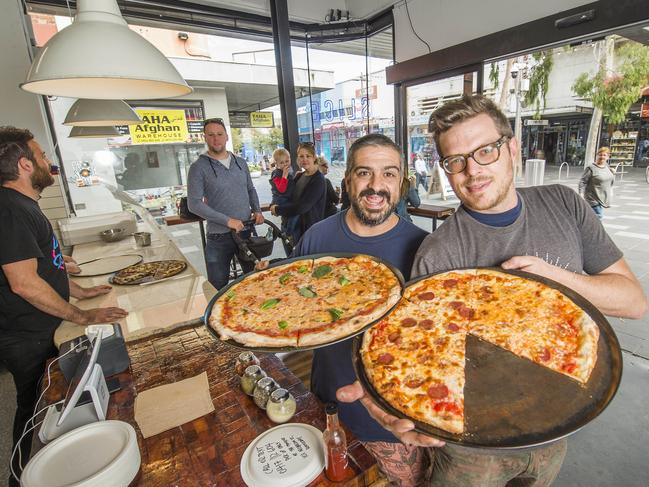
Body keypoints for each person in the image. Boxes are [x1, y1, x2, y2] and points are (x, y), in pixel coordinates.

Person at [338, 95, 648, 486]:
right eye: (456, 161)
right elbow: (406, 353)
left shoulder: (565, 204)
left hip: (557, 420)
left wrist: (556, 281)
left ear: (512, 147)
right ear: (446, 170)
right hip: (469, 450)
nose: (472, 170)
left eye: (485, 150)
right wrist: (390, 401)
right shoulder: (439, 251)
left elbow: (634, 302)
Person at [292, 134, 430, 485]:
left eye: (388, 174)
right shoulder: (315, 239)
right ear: (348, 180)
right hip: (327, 402)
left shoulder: (424, 249)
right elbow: (295, 313)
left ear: (401, 182)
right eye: (365, 173)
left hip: (391, 417)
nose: (376, 186)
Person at [0, 127, 129, 486]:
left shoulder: (23, 205)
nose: (47, 162)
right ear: (25, 165)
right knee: (34, 412)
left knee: (52, 404)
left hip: (42, 325)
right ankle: (19, 477)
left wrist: (80, 291)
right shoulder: (10, 209)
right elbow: (23, 282)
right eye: (41, 156)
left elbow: (46, 268)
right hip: (26, 333)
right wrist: (81, 315)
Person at [187, 118, 264, 289]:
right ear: (205, 137)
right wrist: (228, 221)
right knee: (218, 285)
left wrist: (257, 210)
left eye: (220, 134)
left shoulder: (240, 162)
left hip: (246, 230)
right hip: (218, 236)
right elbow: (194, 204)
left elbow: (250, 189)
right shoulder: (198, 168)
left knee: (256, 280)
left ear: (227, 137)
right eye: (211, 135)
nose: (216, 139)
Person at [270, 142, 325, 244]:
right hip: (289, 226)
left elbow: (303, 207)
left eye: (308, 156)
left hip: (307, 231)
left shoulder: (318, 179)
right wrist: (274, 203)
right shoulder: (300, 175)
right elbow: (286, 194)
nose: (304, 159)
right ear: (297, 159)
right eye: (301, 156)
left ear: (314, 158)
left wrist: (277, 209)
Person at [269, 148, 297, 253]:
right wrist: (285, 176)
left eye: (287, 161)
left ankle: (289, 233)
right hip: (281, 199)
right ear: (276, 163)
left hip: (287, 198)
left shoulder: (288, 171)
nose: (285, 164)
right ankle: (288, 234)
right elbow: (281, 189)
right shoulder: (276, 174)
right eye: (281, 162)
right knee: (292, 216)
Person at [578, 147, 615, 219]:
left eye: (604, 155)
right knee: (598, 217)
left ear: (608, 157)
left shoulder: (606, 166)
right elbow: (583, 182)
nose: (602, 157)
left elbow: (605, 174)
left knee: (591, 218)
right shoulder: (591, 168)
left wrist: (612, 171)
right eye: (600, 155)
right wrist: (581, 194)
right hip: (593, 198)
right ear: (597, 155)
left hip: (602, 197)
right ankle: (595, 230)